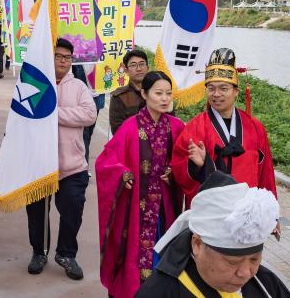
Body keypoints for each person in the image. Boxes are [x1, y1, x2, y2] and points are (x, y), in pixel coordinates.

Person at [96, 71, 186, 298]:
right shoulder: (129, 127)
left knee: (164, 251)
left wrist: (174, 170)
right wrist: (122, 174)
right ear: (144, 94)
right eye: (158, 93)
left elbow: (183, 162)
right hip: (136, 207)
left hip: (165, 209)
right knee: (133, 257)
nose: (165, 98)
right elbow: (105, 162)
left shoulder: (177, 127)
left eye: (168, 93)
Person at [136, 171, 290, 298]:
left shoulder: (265, 283)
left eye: (254, 259)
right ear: (197, 244)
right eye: (232, 262)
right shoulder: (159, 292)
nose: (245, 273)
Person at [170, 48, 278, 212]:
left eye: (224, 88)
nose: (216, 94)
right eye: (211, 88)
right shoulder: (195, 128)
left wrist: (271, 211)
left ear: (236, 92)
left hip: (246, 211)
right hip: (209, 212)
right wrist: (196, 166)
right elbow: (179, 170)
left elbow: (266, 173)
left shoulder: (255, 128)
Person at [26, 38, 96, 280]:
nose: (64, 61)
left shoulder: (78, 86)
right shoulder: (33, 83)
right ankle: (39, 252)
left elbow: (89, 114)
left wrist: (53, 113)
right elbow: (23, 115)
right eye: (58, 56)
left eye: (67, 57)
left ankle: (66, 254)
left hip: (72, 165)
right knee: (36, 213)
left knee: (72, 212)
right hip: (38, 163)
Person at [108, 50, 150, 134]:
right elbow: (118, 131)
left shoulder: (157, 93)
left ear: (147, 68)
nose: (139, 69)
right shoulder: (119, 97)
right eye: (133, 65)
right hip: (132, 145)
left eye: (142, 64)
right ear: (126, 70)